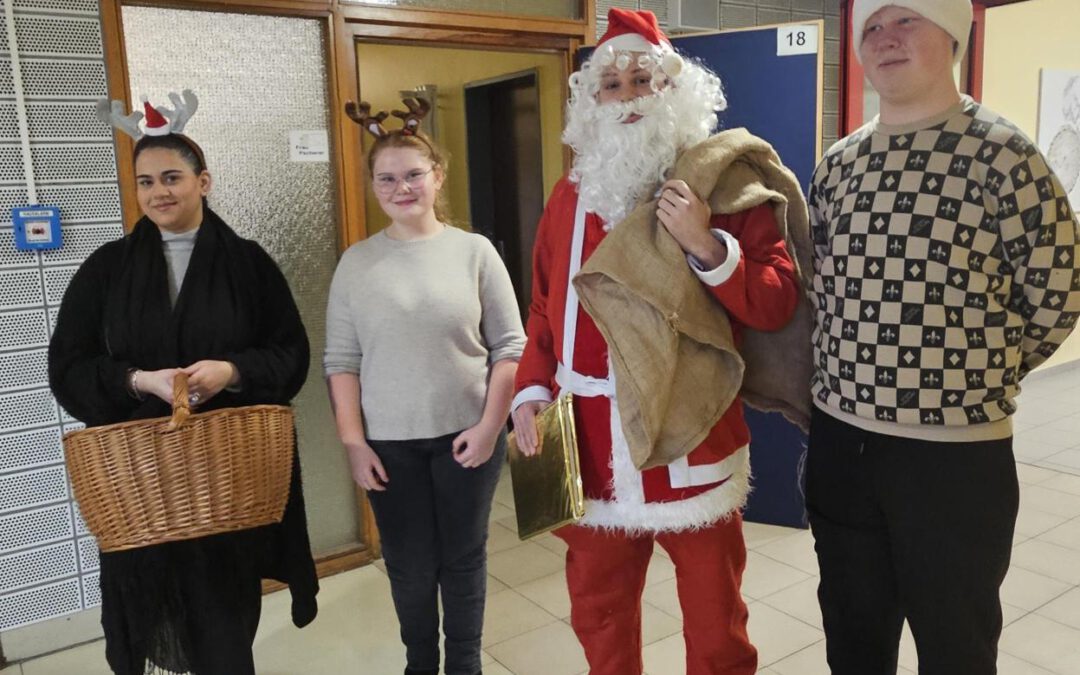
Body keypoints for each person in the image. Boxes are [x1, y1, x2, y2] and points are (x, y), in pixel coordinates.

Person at [511, 9, 809, 675]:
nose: (627, 98)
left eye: (642, 80)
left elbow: (776, 301)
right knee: (599, 612)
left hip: (690, 433)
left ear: (674, 91)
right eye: (611, 85)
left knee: (715, 618)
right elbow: (544, 310)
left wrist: (707, 244)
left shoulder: (723, 185)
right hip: (591, 441)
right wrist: (529, 390)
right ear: (592, 103)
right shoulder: (568, 197)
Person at [806, 1, 1080, 672]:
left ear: (953, 35)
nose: (884, 39)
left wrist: (975, 375)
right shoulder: (837, 165)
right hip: (841, 444)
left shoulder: (1005, 155)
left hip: (954, 460)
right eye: (871, 27)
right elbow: (823, 292)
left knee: (956, 647)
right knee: (852, 643)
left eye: (906, 20)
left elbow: (1058, 293)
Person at [49, 94, 318, 675]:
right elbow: (67, 368)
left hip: (226, 477)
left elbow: (291, 354)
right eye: (146, 182)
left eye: (172, 177)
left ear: (203, 181)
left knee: (224, 618)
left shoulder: (249, 264)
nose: (158, 193)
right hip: (140, 484)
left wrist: (233, 371)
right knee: (147, 607)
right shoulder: (106, 269)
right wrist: (137, 380)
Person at [324, 100, 525, 675]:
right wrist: (354, 443)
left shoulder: (474, 252)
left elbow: (510, 348)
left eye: (413, 174)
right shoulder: (356, 264)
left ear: (438, 175)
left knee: (462, 559)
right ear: (373, 186)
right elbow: (341, 361)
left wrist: (490, 427)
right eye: (386, 178)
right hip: (389, 445)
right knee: (410, 566)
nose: (402, 188)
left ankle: (464, 664)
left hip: (468, 437)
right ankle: (420, 664)